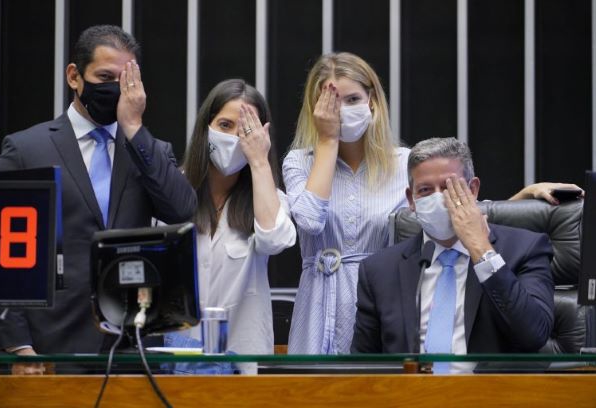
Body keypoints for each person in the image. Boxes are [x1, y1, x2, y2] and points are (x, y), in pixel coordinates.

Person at [283, 51, 571, 355]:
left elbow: (453, 211)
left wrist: (524, 197)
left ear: (373, 101)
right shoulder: (300, 162)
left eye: (352, 99)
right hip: (319, 301)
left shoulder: (404, 162)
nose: (341, 110)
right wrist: (327, 141)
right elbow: (310, 221)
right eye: (330, 102)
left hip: (386, 299)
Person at [0, 25, 197, 374]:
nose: (114, 88)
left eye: (125, 80)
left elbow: (182, 210)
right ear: (74, 76)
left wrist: (133, 129)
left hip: (132, 348)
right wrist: (18, 346)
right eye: (104, 76)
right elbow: (0, 259)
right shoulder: (26, 149)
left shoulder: (149, 150)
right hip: (50, 348)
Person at [351, 138, 554, 370]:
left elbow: (533, 334)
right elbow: (363, 365)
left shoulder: (525, 248)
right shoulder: (379, 270)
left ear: (473, 189)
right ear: (411, 200)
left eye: (449, 187)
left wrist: (481, 249)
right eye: (425, 190)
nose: (440, 199)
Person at [164, 79, 296, 364]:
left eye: (246, 130)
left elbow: (275, 240)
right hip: (178, 360)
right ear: (206, 127)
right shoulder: (174, 188)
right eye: (225, 125)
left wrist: (259, 161)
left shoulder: (268, 196)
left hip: (243, 360)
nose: (236, 137)